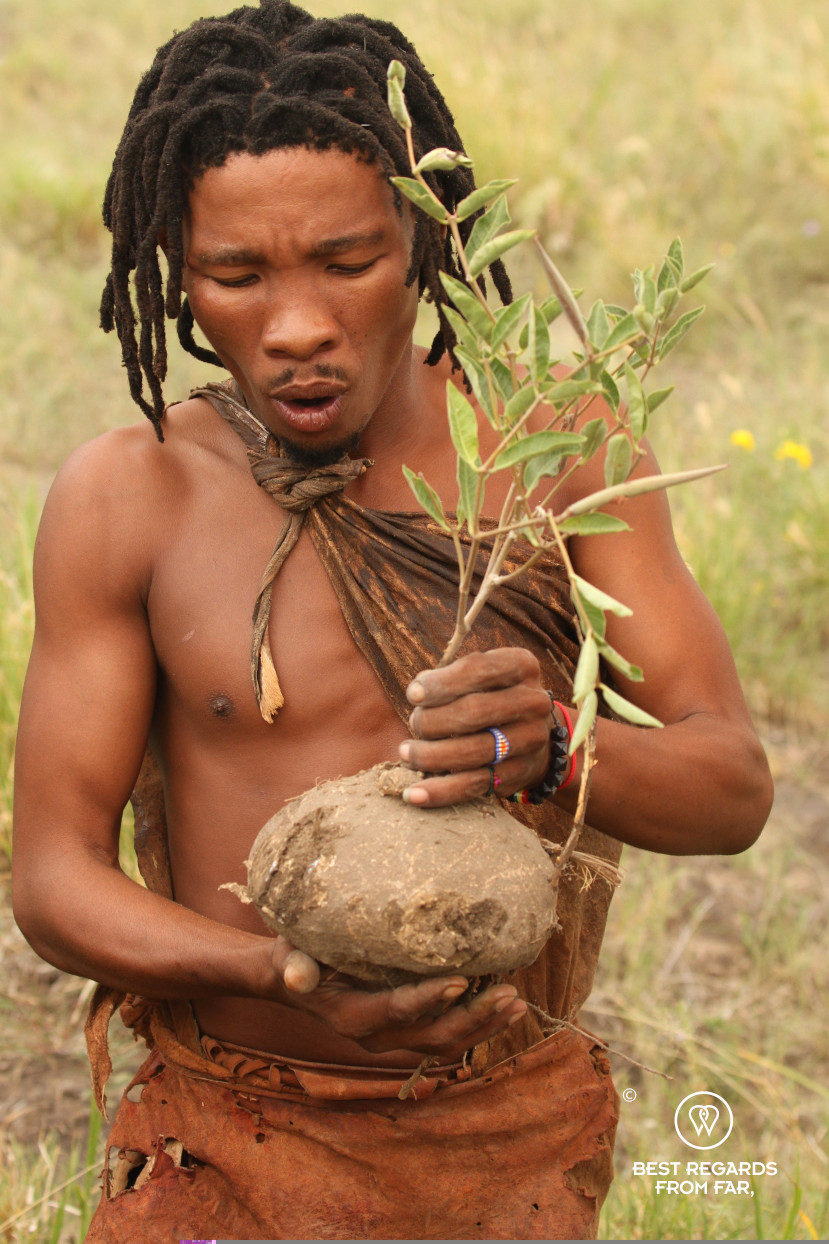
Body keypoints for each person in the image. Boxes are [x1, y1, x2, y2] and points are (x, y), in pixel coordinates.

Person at [11, 2, 773, 1239]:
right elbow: (51, 879)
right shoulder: (127, 495)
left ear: (425, 241)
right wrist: (276, 973)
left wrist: (558, 750)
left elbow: (732, 788)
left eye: (346, 262)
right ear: (172, 265)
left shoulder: (557, 462)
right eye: (237, 275)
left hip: (497, 1130)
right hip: (223, 1129)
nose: (297, 324)